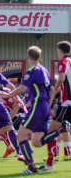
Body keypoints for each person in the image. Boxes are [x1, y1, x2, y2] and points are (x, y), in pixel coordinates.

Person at [0, 46, 71, 174]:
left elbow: (22, 88)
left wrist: (7, 95)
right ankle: (61, 130)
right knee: (37, 141)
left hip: (37, 106)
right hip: (44, 107)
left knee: (20, 135)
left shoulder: (32, 71)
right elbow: (52, 90)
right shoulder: (45, 70)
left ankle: (31, 167)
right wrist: (48, 105)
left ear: (28, 57)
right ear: (39, 57)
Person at [40, 41, 71, 171]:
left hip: (67, 103)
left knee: (51, 131)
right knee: (58, 129)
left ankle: (49, 164)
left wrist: (53, 91)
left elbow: (62, 78)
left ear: (59, 51)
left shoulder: (63, 61)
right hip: (67, 102)